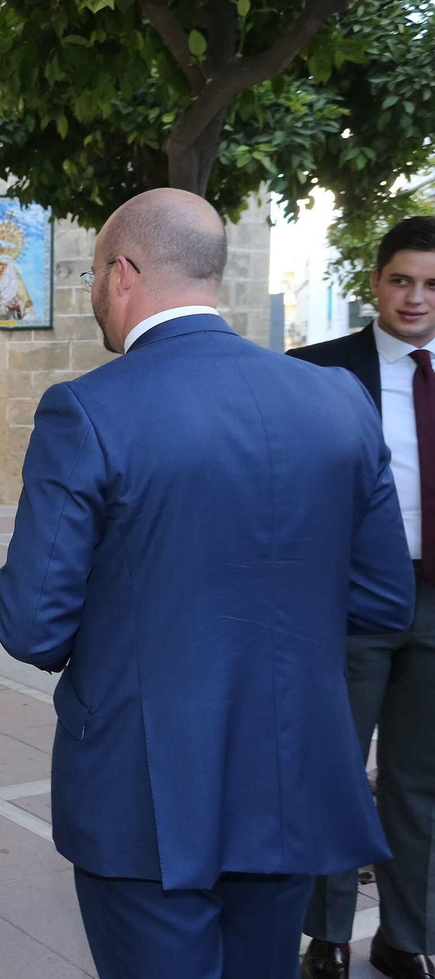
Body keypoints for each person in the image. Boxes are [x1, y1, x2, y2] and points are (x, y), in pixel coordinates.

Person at [0, 188, 414, 979]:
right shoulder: (337, 400)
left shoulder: (87, 409)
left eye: (91, 276)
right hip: (288, 775)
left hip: (142, 786)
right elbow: (386, 597)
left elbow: (32, 624)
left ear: (122, 273)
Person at [291, 216, 435, 979]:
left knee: (420, 781)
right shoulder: (317, 371)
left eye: (432, 283)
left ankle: (408, 936)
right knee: (336, 770)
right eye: (402, 279)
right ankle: (328, 935)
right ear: (375, 282)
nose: (416, 297)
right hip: (347, 604)